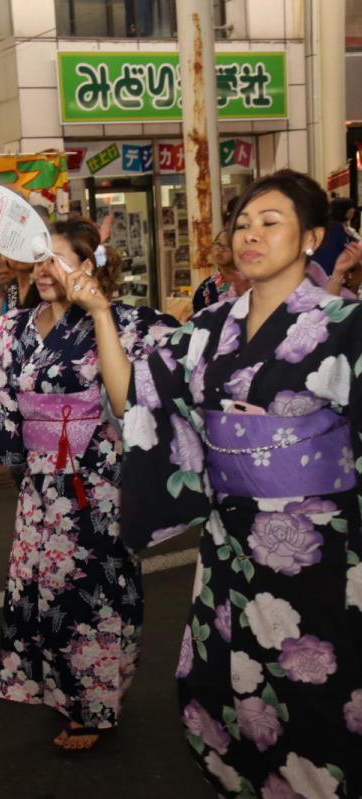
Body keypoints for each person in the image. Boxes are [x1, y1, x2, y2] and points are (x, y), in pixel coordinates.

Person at [118, 170, 362, 796]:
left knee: (319, 683)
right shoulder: (207, 329)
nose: (249, 234)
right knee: (223, 677)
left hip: (317, 546)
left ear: (312, 237)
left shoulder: (343, 323)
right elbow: (139, 396)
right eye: (242, 224)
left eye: (270, 221)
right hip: (230, 541)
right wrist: (96, 308)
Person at [0, 218, 175, 750]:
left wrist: (102, 316)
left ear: (89, 266)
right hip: (40, 485)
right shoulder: (11, 329)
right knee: (40, 589)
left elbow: (149, 390)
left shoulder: (129, 323)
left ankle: (95, 703)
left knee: (97, 590)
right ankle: (61, 690)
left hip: (99, 480)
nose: (44, 269)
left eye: (57, 257)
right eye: (38, 258)